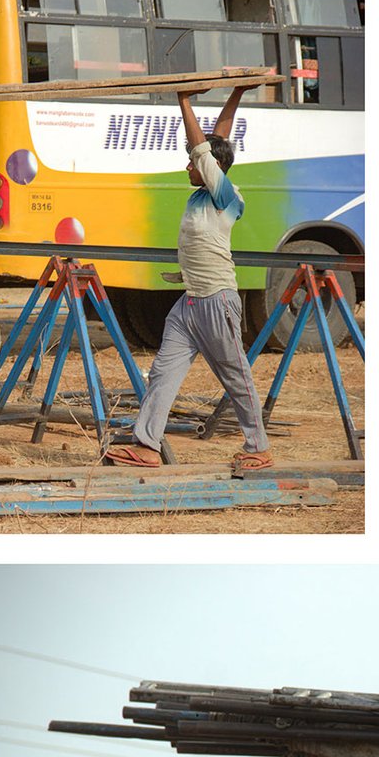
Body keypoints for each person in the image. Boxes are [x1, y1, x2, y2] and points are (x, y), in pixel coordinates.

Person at [104, 82, 272, 471]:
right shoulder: (201, 193)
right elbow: (217, 141)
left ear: (210, 169)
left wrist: (183, 99)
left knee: (235, 376)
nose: (187, 166)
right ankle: (146, 446)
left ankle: (258, 446)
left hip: (217, 299)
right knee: (163, 371)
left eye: (193, 163)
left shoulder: (226, 196)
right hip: (190, 302)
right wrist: (238, 93)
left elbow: (206, 150)